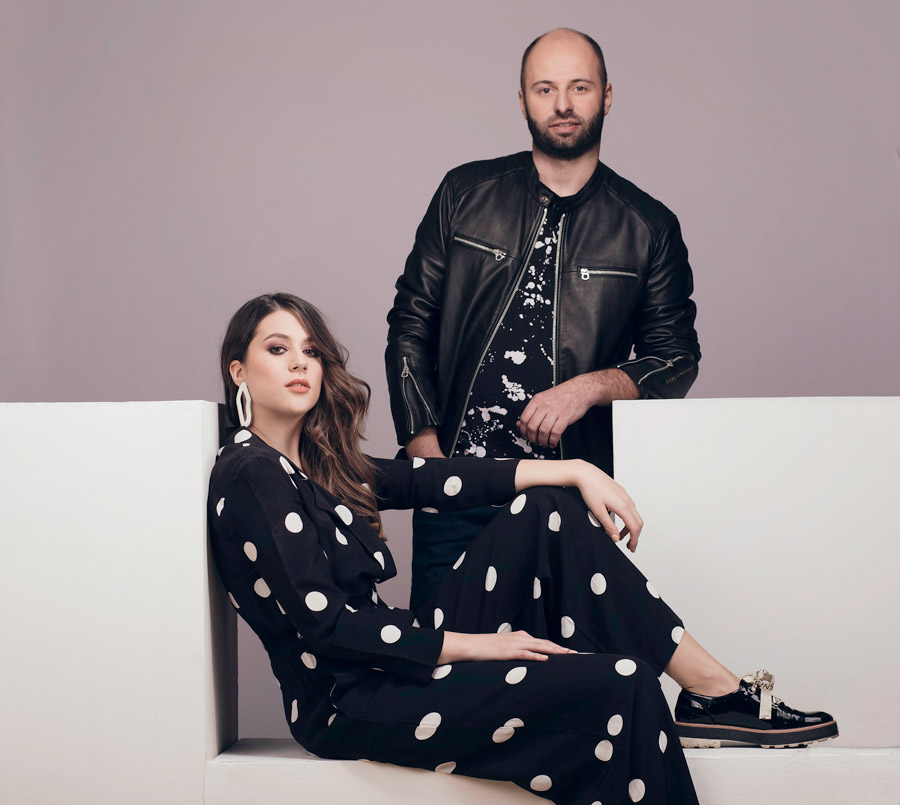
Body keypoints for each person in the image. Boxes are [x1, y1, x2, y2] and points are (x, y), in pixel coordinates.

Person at [208, 292, 837, 805]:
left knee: (547, 509)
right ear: (239, 371)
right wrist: (481, 646)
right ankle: (712, 694)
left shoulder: (320, 467)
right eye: (277, 349)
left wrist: (574, 470)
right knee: (622, 682)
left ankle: (709, 692)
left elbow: (437, 479)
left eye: (311, 351)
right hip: (351, 701)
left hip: (398, 662)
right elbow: (327, 627)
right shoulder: (250, 472)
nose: (300, 364)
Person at [385, 28, 702, 611]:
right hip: (455, 490)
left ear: (606, 96)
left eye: (579, 87)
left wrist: (587, 388)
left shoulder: (648, 226)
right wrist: (425, 454)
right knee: (444, 658)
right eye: (545, 89)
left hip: (568, 499)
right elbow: (411, 322)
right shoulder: (464, 192)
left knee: (561, 662)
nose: (562, 105)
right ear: (523, 100)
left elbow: (676, 358)